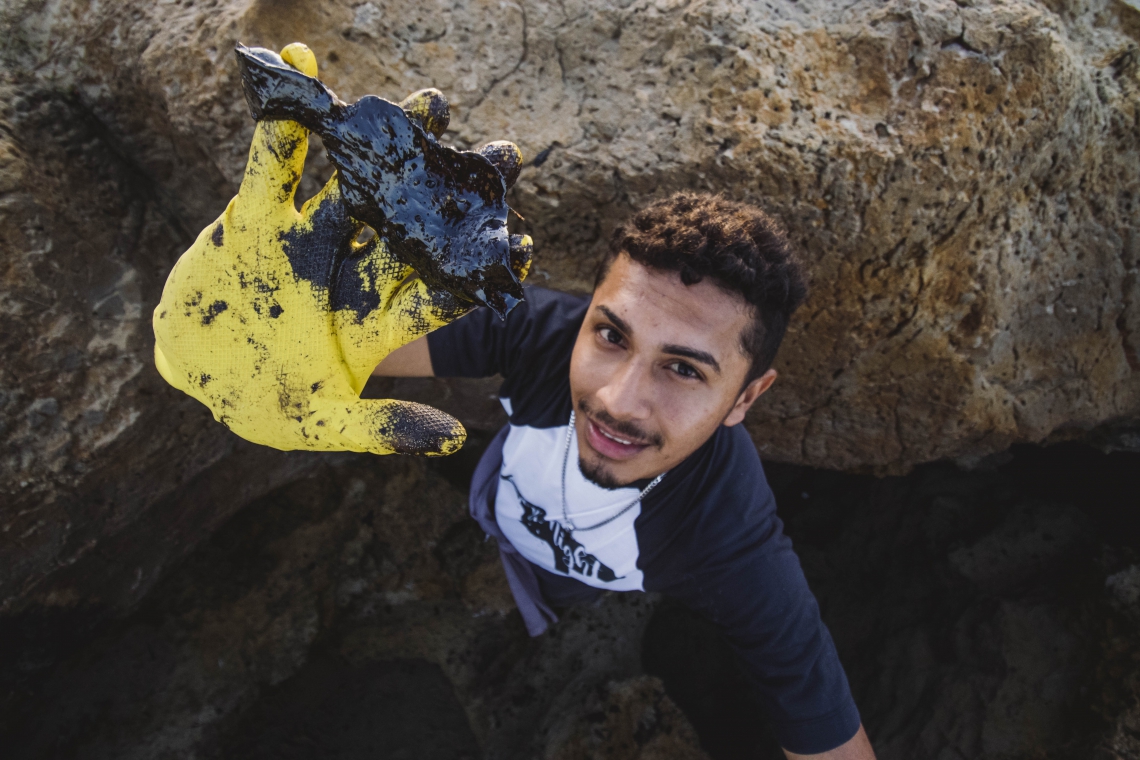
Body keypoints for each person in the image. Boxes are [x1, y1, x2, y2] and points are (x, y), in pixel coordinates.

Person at [375, 192, 876, 759]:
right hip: (495, 499)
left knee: (564, 591)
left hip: (573, 584)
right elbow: (342, 338)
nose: (618, 401)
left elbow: (816, 706)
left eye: (683, 368)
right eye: (612, 336)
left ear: (746, 397)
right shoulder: (541, 333)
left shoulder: (725, 534)